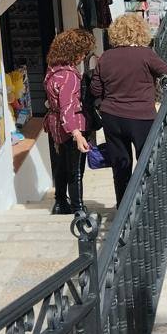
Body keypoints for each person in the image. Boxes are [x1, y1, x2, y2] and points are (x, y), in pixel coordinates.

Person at [91, 14, 167, 204]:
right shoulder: (146, 54)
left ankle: (123, 206)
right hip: (141, 117)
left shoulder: (105, 57)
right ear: (140, 31)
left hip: (112, 117)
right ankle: (147, 204)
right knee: (147, 161)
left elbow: (95, 89)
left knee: (120, 164)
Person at [44, 29, 95, 215]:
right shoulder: (69, 76)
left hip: (55, 125)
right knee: (76, 170)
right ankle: (78, 207)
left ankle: (60, 202)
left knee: (61, 166)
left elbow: (55, 103)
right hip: (73, 124)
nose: (83, 57)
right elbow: (67, 107)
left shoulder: (52, 71)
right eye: (83, 52)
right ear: (75, 52)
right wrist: (77, 134)